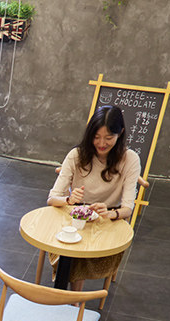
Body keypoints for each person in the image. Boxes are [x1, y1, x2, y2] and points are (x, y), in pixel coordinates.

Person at [47, 105, 140, 290]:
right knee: (73, 244)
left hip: (108, 218)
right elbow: (52, 199)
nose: (101, 143)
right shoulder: (76, 155)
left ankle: (69, 297)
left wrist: (110, 213)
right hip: (76, 213)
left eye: (109, 138)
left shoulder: (130, 159)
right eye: (96, 137)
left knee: (76, 251)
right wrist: (69, 200)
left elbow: (128, 208)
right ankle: (73, 299)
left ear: (120, 133)